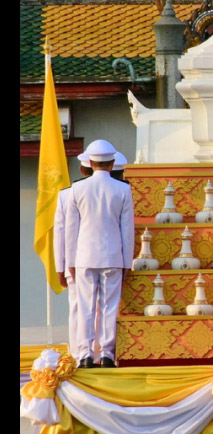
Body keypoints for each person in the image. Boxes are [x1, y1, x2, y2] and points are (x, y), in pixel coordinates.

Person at [65, 140, 134, 369]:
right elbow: (127, 229)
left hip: (84, 256)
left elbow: (71, 229)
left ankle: (85, 354)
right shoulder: (123, 189)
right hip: (113, 255)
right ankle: (106, 354)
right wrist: (127, 262)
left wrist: (70, 260)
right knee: (108, 307)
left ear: (90, 163)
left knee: (85, 307)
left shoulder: (77, 188)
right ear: (112, 163)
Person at [54, 152, 93, 355]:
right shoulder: (115, 190)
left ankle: (79, 353)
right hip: (100, 259)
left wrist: (60, 266)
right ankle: (96, 353)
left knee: (78, 307)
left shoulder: (67, 194)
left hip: (75, 260)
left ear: (81, 169)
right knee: (100, 307)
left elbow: (60, 233)